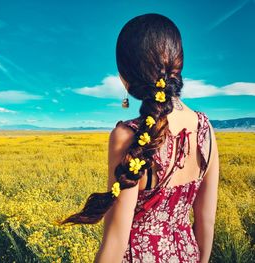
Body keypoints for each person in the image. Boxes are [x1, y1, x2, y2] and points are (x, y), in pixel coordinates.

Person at [59, 13, 219, 263]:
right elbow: (206, 220)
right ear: (178, 65)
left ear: (125, 77)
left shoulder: (128, 135)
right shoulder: (205, 128)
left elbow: (116, 240)